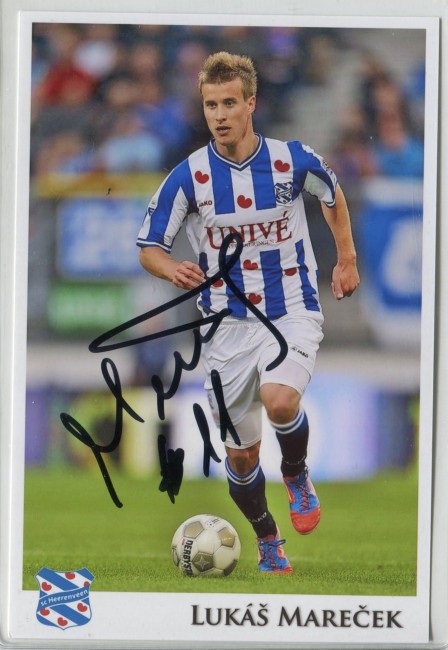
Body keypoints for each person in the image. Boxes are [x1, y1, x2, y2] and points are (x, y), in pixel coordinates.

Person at [137, 52, 360, 574]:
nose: (219, 115)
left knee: (280, 400)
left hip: (290, 309)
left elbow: (331, 193)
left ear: (251, 103)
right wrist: (171, 269)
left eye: (229, 103)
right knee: (240, 457)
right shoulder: (189, 177)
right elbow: (149, 246)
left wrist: (346, 258)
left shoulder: (291, 160)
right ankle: (267, 539)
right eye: (211, 104)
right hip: (224, 329)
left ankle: (296, 473)